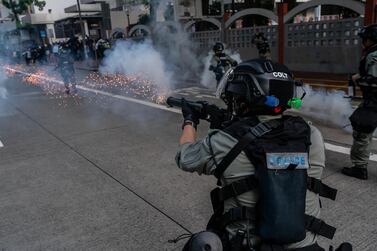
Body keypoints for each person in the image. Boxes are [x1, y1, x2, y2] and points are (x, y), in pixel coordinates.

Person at [176, 58, 351, 251]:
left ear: (247, 94)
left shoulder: (225, 140)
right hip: (306, 246)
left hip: (247, 245)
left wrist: (190, 120)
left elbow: (186, 158)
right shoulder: (312, 134)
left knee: (201, 244)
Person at [343, 24, 377, 180]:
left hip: (373, 101)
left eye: (364, 39)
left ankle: (359, 168)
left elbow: (374, 82)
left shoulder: (373, 54)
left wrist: (359, 79)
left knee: (362, 131)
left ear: (370, 39)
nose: (363, 42)